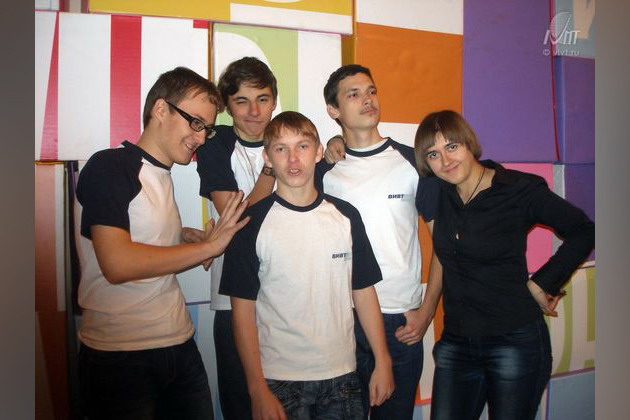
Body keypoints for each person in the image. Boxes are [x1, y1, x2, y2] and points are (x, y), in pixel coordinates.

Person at [75, 66, 249, 420]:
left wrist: (184, 236)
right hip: (120, 357)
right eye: (195, 123)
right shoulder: (111, 166)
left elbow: (140, 233)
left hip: (179, 343)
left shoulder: (162, 174)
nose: (201, 138)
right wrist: (209, 247)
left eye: (206, 128)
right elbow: (117, 263)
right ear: (160, 109)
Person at [414, 110, 595, 420]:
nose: (445, 160)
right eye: (433, 154)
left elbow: (583, 230)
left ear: (468, 143)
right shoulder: (438, 191)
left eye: (452, 147)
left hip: (514, 342)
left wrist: (544, 282)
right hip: (457, 343)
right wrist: (337, 145)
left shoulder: (517, 189)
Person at [220, 111, 395, 420]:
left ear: (318, 152)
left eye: (302, 146)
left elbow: (364, 292)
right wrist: (257, 389)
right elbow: (242, 314)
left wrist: (383, 360)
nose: (293, 158)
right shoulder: (249, 225)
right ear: (268, 158)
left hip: (343, 375)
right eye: (281, 148)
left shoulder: (346, 216)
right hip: (279, 379)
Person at [317, 64, 442, 419]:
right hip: (341, 319)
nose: (367, 99)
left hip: (400, 321)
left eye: (371, 91)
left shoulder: (413, 162)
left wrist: (427, 312)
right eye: (353, 94)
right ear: (333, 110)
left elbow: (444, 246)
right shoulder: (322, 171)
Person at [195, 56, 277, 419]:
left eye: (262, 99)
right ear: (227, 106)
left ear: (274, 101)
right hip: (232, 295)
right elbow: (236, 218)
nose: (254, 111)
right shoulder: (215, 143)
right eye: (242, 101)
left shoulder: (291, 138)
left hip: (286, 297)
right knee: (241, 404)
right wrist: (270, 170)